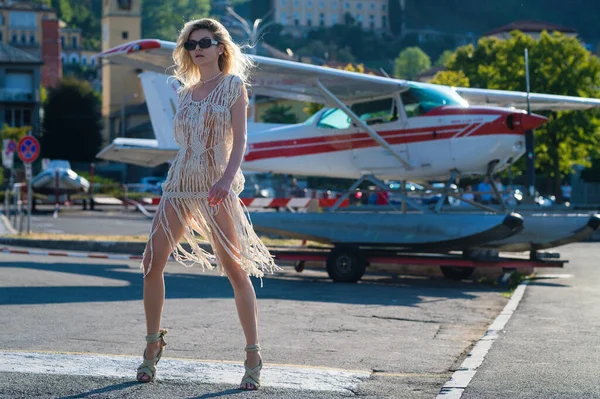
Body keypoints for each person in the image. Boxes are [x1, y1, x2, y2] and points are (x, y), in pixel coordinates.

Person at [136, 18, 279, 390]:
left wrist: (226, 180)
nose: (197, 48)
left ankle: (252, 353)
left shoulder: (233, 87)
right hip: (180, 181)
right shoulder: (185, 92)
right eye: (190, 44)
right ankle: (152, 347)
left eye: (205, 41)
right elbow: (184, 145)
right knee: (152, 261)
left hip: (216, 183)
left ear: (220, 47)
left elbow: (241, 141)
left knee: (234, 269)